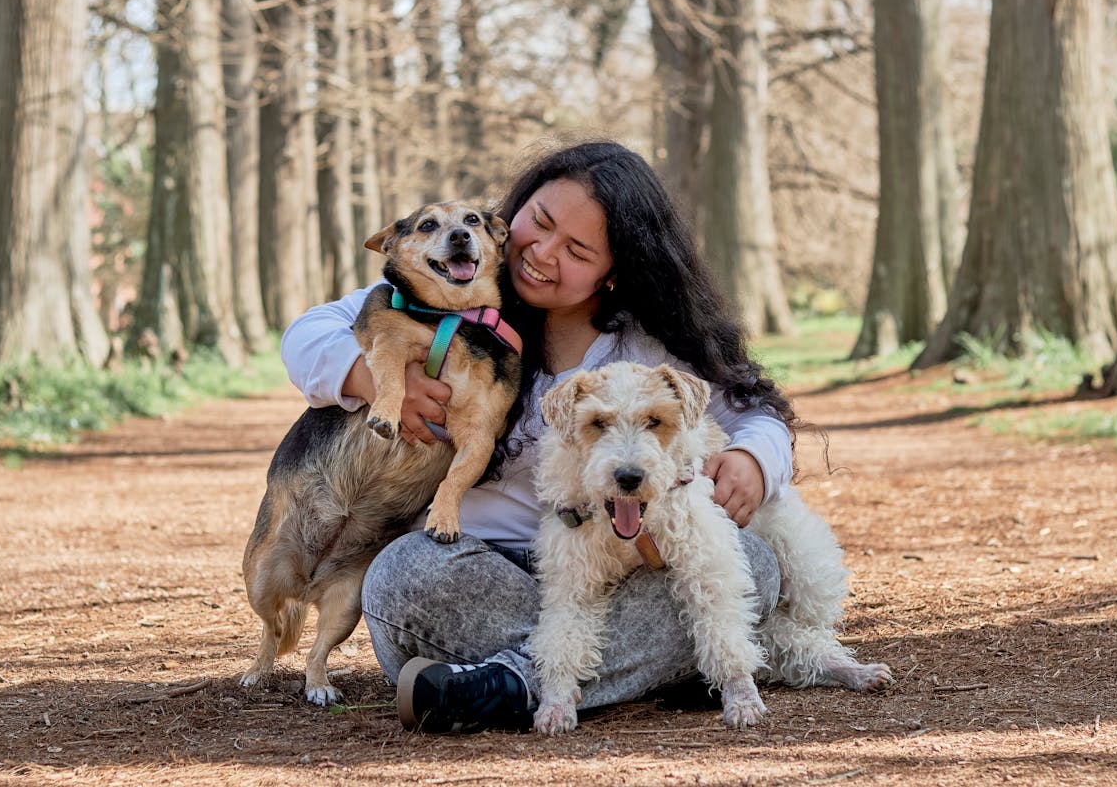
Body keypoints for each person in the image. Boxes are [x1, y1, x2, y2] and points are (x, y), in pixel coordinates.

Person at [280, 139, 797, 732]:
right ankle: (645, 670)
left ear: (614, 273)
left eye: (577, 250)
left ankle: (507, 687)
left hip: (615, 572)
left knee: (752, 562)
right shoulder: (458, 290)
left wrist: (753, 459)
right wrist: (366, 377)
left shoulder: (645, 348)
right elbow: (310, 331)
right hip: (476, 566)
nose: (542, 254)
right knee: (400, 574)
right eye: (540, 223)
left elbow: (755, 416)